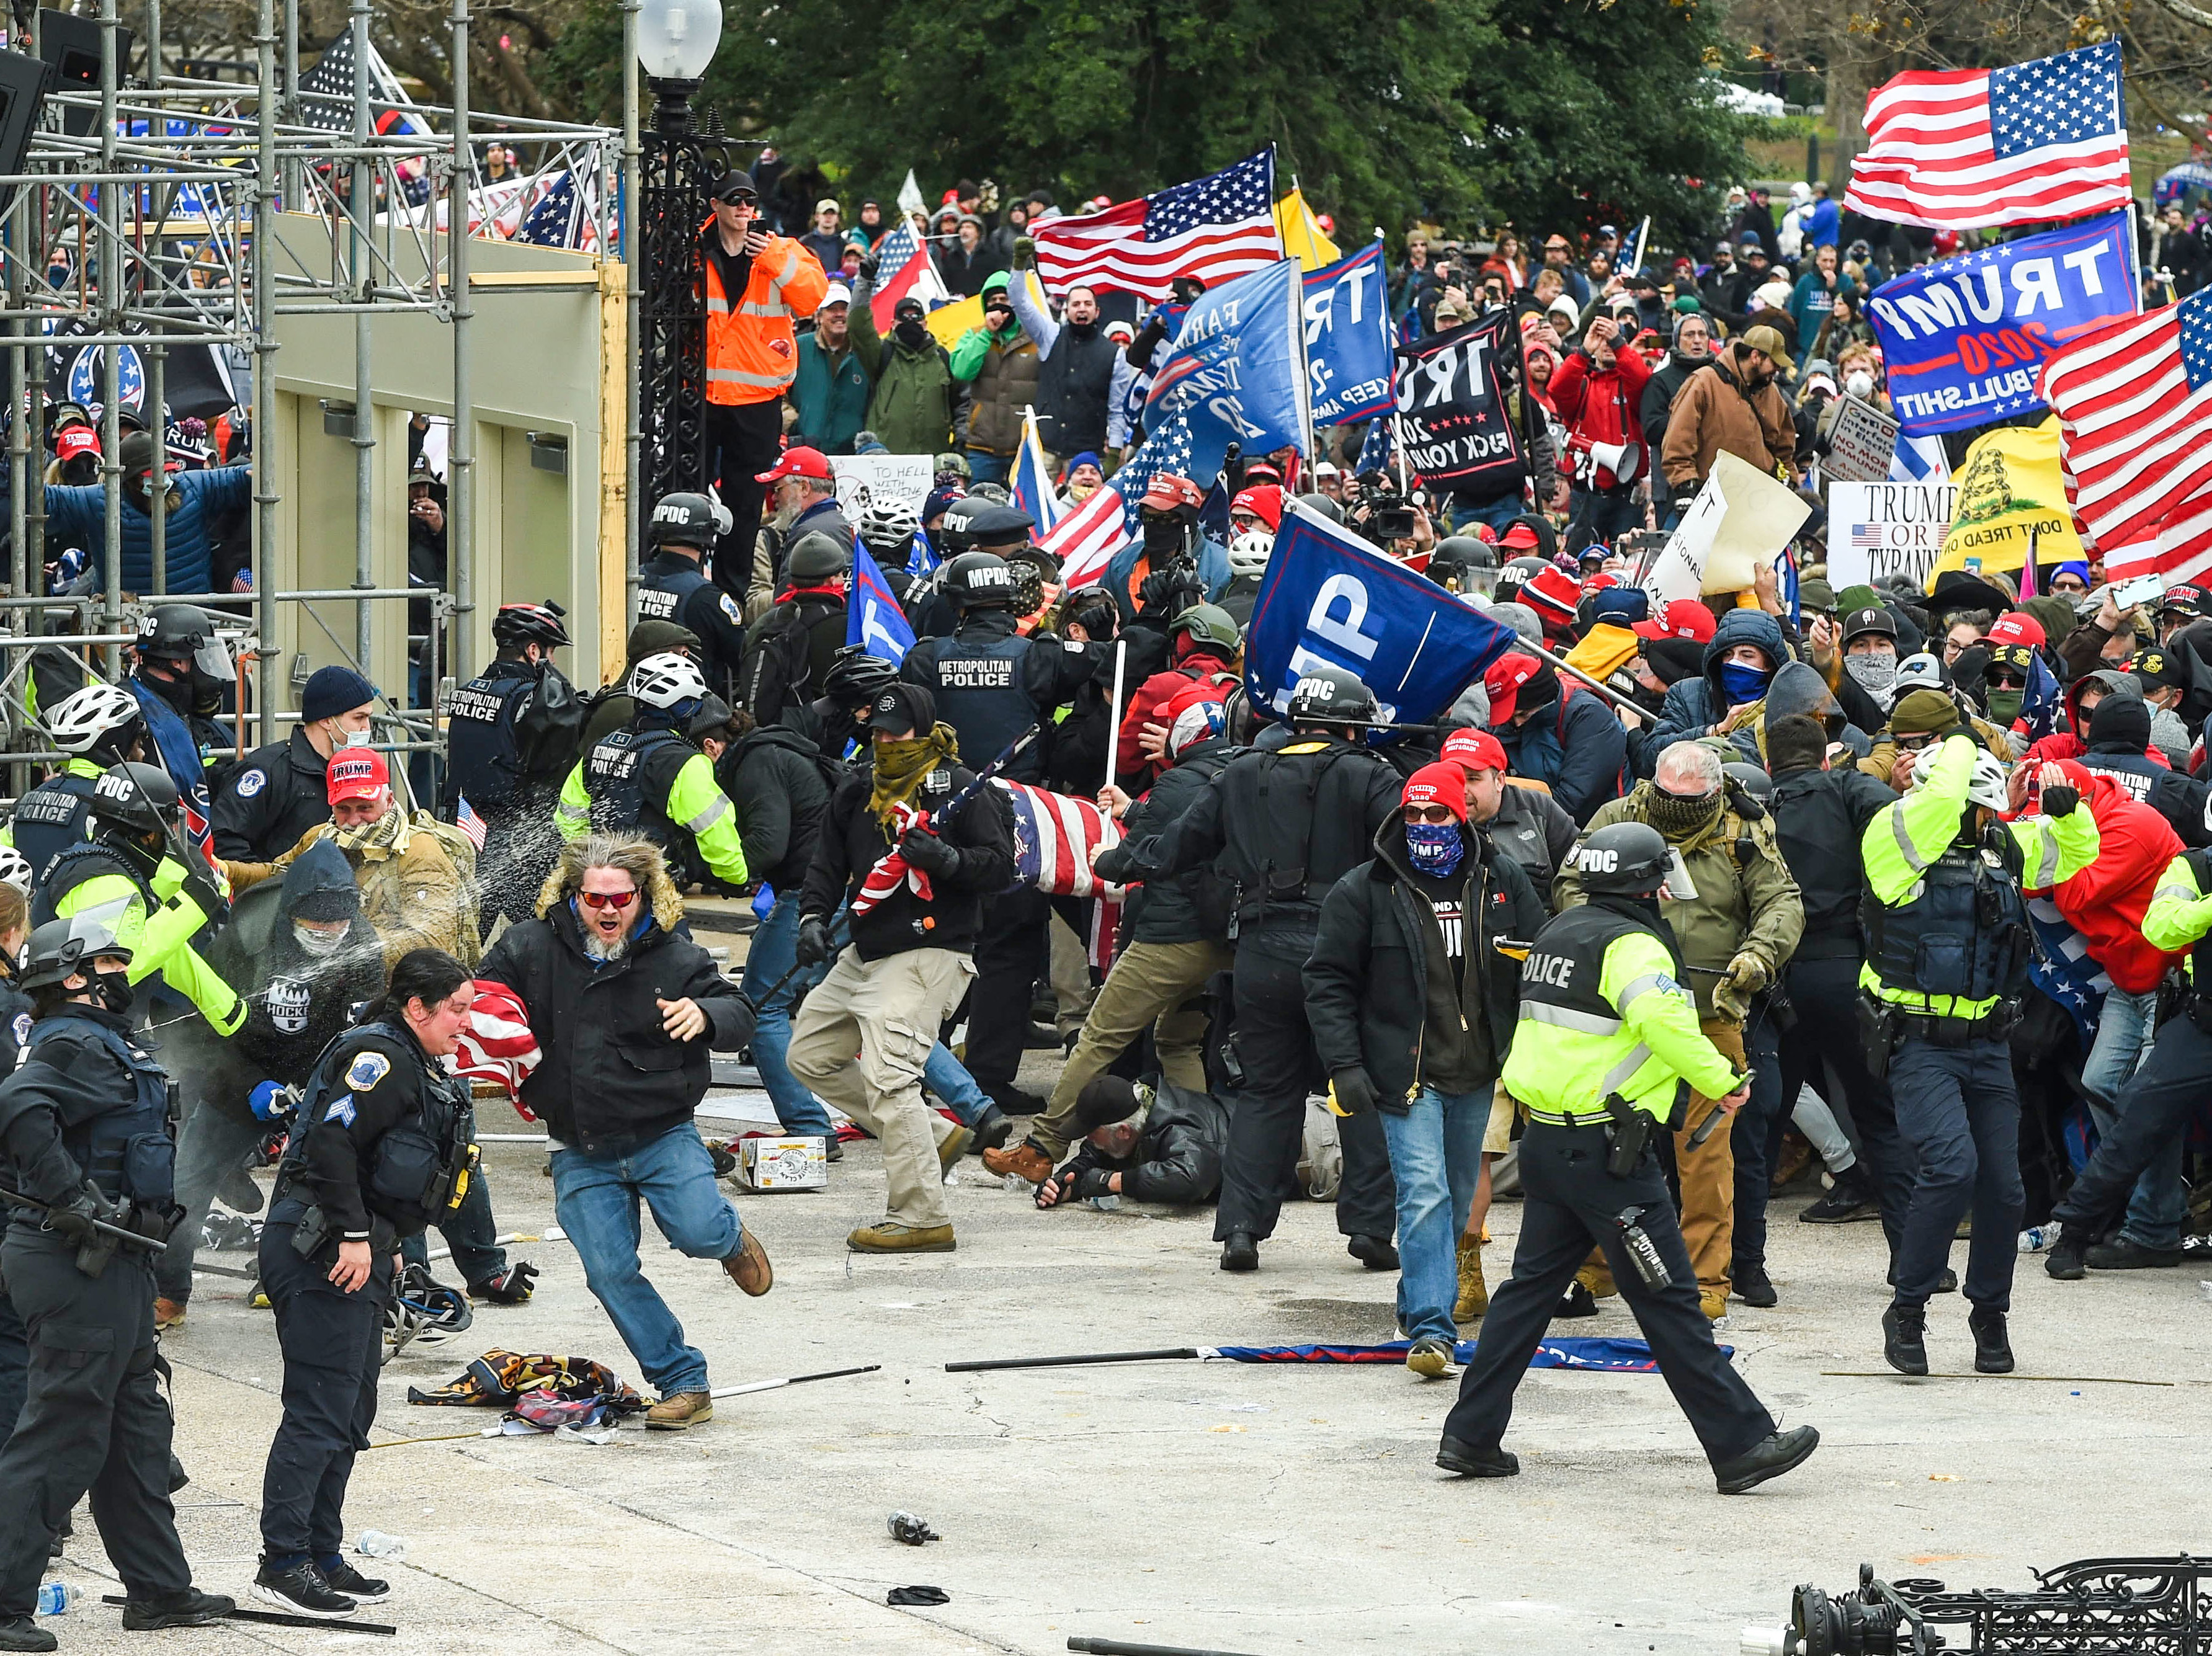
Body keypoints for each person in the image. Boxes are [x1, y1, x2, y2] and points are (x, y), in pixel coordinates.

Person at [1434, 823, 1819, 1495]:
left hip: (1552, 1143)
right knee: (1669, 1299)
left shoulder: (1559, 933)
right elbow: (1665, 1025)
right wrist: (1724, 1081)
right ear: (1648, 882)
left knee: (1525, 1297)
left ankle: (1469, 1436)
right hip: (1607, 1156)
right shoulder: (1634, 945)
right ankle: (1742, 1444)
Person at [476, 835, 769, 1430]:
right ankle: (684, 1381)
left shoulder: (675, 957)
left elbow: (740, 1013)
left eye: (622, 899)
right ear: (572, 895)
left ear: (644, 895)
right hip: (579, 1145)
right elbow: (474, 997)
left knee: (698, 1233)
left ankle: (730, 1242)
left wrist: (708, 1015)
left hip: (661, 1134)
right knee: (609, 1271)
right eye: (593, 899)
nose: (608, 911)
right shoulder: (529, 947)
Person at [0, 917, 236, 1650]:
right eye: (108, 961)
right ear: (73, 977)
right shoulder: (71, 1039)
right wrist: (69, 1198)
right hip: (75, 1264)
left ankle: (158, 1590)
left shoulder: (106, 1039)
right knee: (62, 1429)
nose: (121, 972)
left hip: (120, 1262)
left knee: (136, 1427)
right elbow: (16, 1107)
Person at [1120, 666, 1404, 1273]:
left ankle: (1241, 1231)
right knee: (1361, 1087)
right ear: (1354, 725)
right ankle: (1370, 1230)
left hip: (1260, 952)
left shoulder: (1240, 772)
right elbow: (1407, 856)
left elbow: (1175, 848)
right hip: (1345, 957)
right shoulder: (1372, 777)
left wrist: (1118, 860)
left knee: (1264, 1090)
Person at [1859, 737, 2097, 1376]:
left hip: (1988, 1043)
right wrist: (1965, 735)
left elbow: (2077, 853)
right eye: (1980, 811)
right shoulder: (1894, 835)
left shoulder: (1997, 847)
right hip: (1918, 1042)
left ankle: (1988, 1313)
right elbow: (1938, 801)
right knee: (1950, 1166)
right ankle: (1906, 1310)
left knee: (2002, 1183)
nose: (1990, 822)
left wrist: (2067, 811)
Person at [253, 950, 479, 1616]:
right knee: (319, 1411)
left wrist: (392, 1248)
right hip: (321, 1248)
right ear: (418, 1007)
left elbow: (392, 1172)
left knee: (350, 1413)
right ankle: (284, 1561)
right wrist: (354, 1236)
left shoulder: (413, 1060)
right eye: (458, 1011)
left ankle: (322, 1553)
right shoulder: (378, 1060)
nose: (465, 1025)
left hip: (362, 1250)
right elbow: (329, 1145)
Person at [1306, 762, 1548, 1376]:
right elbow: (1327, 982)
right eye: (1411, 815)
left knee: (1459, 1198)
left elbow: (1538, 967)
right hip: (1404, 1076)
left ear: (1458, 814)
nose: (1422, 826)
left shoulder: (1501, 879)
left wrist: (1530, 1056)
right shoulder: (1364, 889)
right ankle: (1433, 1331)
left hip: (1477, 1071)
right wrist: (1345, 1066)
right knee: (1424, 1195)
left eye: (1434, 813)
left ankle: (1416, 1303)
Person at [1560, 741, 1803, 1317]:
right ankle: (1594, 1270)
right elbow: (1568, 888)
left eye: (1691, 801)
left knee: (1705, 1156)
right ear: (1653, 785)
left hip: (1709, 1011)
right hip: (1623, 1015)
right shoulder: (1618, 820)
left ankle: (1706, 1281)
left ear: (1715, 794)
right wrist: (1621, 902)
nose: (1677, 809)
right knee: (1604, 1145)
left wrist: (1758, 958)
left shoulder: (1745, 828)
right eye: (1668, 798)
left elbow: (1783, 903)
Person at [788, 683, 1017, 1252]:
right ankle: (933, 1136)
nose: (886, 743)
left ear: (923, 729)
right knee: (810, 1056)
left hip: (930, 951)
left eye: (898, 733)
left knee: (891, 1080)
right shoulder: (858, 787)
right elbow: (827, 861)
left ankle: (922, 1217)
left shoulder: (963, 788)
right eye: (878, 733)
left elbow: (1000, 868)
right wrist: (812, 918)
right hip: (864, 951)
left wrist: (947, 860)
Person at [989, 696, 1235, 1184]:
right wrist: (1137, 807)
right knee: (1177, 1041)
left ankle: (1042, 1146)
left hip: (1171, 936)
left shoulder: (1179, 781)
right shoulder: (1243, 775)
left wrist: (1106, 857)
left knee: (1100, 1036)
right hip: (1226, 938)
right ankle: (1204, 1143)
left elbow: (1139, 853)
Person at [152, 841, 387, 1329]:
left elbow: (359, 1038)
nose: (328, 934)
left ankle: (295, 1280)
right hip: (241, 1066)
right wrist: (253, 1086)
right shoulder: (249, 929)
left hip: (318, 1077)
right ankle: (168, 1292)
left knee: (327, 1184)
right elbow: (201, 1027)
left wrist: (321, 1094)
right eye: (316, 924)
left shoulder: (362, 947)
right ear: (292, 910)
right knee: (187, 1179)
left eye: (337, 925)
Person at [900, 550, 1095, 1113]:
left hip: (937, 817)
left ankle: (914, 1069)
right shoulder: (1037, 658)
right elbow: (1111, 662)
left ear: (955, 603)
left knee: (933, 949)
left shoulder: (925, 657)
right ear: (1013, 603)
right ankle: (985, 1080)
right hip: (1014, 823)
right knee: (1008, 953)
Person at [1762, 714, 1915, 1247]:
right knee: (1878, 1114)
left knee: (1763, 1121)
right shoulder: (1849, 789)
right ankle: (1915, 1263)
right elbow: (1908, 833)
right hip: (1846, 970)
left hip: (1772, 979)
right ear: (1825, 758)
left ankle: (1745, 1264)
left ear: (1768, 764)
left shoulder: (1753, 804)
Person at [696, 703, 839, 1146]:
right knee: (868, 1006)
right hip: (839, 890)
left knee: (759, 1007)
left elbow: (768, 844)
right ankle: (972, 1108)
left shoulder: (755, 763)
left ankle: (809, 1126)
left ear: (711, 747)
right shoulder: (767, 752)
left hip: (812, 894)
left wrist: (709, 872)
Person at [35, 761, 244, 1037]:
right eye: (166, 832)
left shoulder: (105, 864)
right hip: (76, 1039)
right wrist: (194, 904)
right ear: (148, 835)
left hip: (90, 1030)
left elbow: (169, 951)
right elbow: (121, 967)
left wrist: (229, 1012)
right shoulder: (105, 881)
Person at [230, 747, 483, 972]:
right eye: (343, 809)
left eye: (364, 808)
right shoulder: (319, 838)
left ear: (389, 800)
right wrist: (223, 870)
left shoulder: (418, 852)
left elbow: (433, 942)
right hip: (335, 982)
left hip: (399, 996)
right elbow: (276, 876)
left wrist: (348, 942)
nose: (353, 820)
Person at [699, 171, 829, 599]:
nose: (742, 207)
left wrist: (772, 256)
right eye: (733, 199)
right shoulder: (695, 250)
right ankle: (687, 582)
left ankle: (731, 594)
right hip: (700, 396)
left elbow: (813, 296)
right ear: (715, 204)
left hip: (756, 399)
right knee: (688, 492)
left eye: (749, 200)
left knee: (745, 505)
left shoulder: (781, 250)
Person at [439, 601, 582, 926]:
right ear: (533, 650)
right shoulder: (529, 699)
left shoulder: (468, 692)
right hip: (520, 841)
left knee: (468, 939)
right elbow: (554, 761)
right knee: (547, 938)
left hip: (469, 829)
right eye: (550, 651)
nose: (553, 660)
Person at [556, 653, 749, 893]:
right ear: (682, 708)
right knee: (671, 931)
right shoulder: (684, 763)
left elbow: (569, 815)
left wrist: (591, 866)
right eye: (694, 704)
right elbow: (715, 829)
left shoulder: (600, 747)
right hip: (648, 886)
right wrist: (735, 877)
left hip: (597, 886)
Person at [44, 429, 249, 596]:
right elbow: (44, 502)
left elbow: (239, 477)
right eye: (152, 475)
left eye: (167, 471)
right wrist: (24, 455)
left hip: (193, 621)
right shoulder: (99, 501)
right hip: (125, 626)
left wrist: (256, 474)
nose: (163, 480)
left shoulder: (194, 487)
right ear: (130, 480)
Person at [215, 666, 376, 865]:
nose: (366, 729)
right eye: (359, 718)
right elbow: (225, 838)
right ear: (326, 719)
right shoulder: (269, 769)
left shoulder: (359, 769)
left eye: (368, 718)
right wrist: (268, 886)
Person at [7, 682, 146, 879]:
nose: (143, 752)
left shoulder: (25, 802)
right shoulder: (117, 808)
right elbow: (167, 876)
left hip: (29, 909)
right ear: (121, 744)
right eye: (139, 740)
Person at [1657, 326, 1796, 515]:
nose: (1778, 370)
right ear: (1756, 357)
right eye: (1775, 362)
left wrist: (1791, 482)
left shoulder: (1772, 393)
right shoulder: (1704, 382)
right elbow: (1678, 441)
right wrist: (1685, 487)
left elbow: (1785, 447)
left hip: (1756, 508)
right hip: (1712, 504)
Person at [1033, 1075, 1228, 1209]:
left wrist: (1113, 1181)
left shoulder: (1177, 1128)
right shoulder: (1130, 1110)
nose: (1088, 1138)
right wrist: (1063, 1185)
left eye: (1092, 1132)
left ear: (1124, 1132)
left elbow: (1191, 1177)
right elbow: (1092, 1158)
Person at [1548, 314, 1654, 554]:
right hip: (1586, 493)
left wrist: (1618, 343)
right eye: (1601, 341)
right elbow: (1558, 389)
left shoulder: (1631, 385)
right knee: (1578, 559)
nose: (1607, 346)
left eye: (1612, 341)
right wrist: (1583, 352)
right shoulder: (1584, 384)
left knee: (1627, 557)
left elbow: (1640, 377)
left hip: (1626, 494)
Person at [1483, 651, 1628, 824]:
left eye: (1523, 715)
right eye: (1510, 718)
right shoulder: (1514, 722)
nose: (1518, 723)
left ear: (1542, 699)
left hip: (1595, 827)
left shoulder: (1590, 718)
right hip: (1540, 814)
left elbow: (1572, 803)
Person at [1006, 246, 1116, 464]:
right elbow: (1020, 302)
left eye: (1087, 304)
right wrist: (1019, 264)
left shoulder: (1114, 353)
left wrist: (1114, 451)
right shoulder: (1050, 335)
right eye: (1076, 304)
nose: (1082, 309)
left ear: (1097, 311)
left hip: (1088, 456)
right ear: (1067, 310)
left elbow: (1117, 409)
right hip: (1046, 448)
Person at [636, 496, 750, 705]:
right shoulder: (707, 597)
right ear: (705, 536)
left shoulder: (633, 581)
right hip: (691, 712)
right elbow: (743, 656)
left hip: (634, 701)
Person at [742, 531, 851, 729]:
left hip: (761, 735)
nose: (844, 580)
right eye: (841, 574)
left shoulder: (766, 622)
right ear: (832, 579)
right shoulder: (839, 625)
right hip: (811, 739)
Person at [847, 283, 959, 456]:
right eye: (903, 317)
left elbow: (961, 404)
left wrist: (959, 446)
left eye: (916, 317)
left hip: (932, 459)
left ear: (925, 323)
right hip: (887, 460)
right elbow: (858, 327)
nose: (910, 322)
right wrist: (865, 283)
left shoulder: (943, 358)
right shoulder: (882, 354)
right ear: (893, 324)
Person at [948, 272, 1036, 485]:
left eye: (1004, 300)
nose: (998, 306)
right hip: (982, 448)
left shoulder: (1036, 337)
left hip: (1024, 448)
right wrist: (987, 334)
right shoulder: (975, 335)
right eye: (993, 301)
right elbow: (961, 371)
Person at [751, 445, 851, 608]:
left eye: (778, 489)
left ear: (804, 488)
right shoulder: (838, 524)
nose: (774, 498)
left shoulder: (811, 534)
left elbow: (785, 604)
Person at [790, 283, 872, 455]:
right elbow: (779, 393)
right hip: (807, 450)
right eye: (832, 309)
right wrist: (793, 424)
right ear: (819, 316)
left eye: (845, 309)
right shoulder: (799, 347)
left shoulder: (865, 351)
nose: (840, 314)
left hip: (852, 453)